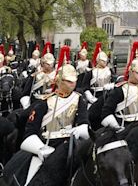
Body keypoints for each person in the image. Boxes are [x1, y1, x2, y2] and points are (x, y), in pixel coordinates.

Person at [4, 46, 89, 186]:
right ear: (60, 80)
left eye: (74, 81)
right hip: (46, 144)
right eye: (68, 81)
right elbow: (30, 131)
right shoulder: (44, 103)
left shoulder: (79, 99)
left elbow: (84, 121)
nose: (72, 84)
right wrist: (40, 149)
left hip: (70, 144)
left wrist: (80, 129)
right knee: (31, 179)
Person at [20, 42, 56, 110]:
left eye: (51, 64)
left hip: (50, 99)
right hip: (36, 98)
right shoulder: (37, 71)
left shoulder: (55, 73)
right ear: (43, 63)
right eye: (47, 64)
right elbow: (29, 85)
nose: (50, 66)